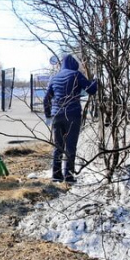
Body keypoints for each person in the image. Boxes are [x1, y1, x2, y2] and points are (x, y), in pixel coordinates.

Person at [43, 54, 97, 183]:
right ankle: (68, 176)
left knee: (58, 146)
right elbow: (91, 90)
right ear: (74, 65)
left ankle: (56, 175)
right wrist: (96, 80)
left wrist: (48, 115)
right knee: (70, 147)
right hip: (72, 114)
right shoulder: (75, 75)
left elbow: (46, 99)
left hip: (56, 116)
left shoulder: (55, 78)